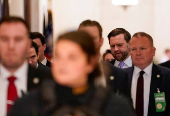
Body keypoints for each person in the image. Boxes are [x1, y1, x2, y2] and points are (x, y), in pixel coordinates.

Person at [9, 31, 135, 116]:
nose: (63, 64)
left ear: (90, 63)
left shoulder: (115, 107)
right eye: (58, 56)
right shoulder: (29, 105)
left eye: (72, 57)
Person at [0, 16, 49, 116]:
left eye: (18, 39)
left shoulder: (47, 81)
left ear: (28, 44)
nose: (11, 46)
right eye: (4, 39)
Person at [78, 20, 131, 98]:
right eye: (84, 37)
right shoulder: (66, 74)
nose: (88, 42)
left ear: (101, 41)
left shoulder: (118, 75)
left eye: (93, 38)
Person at [125, 32, 170, 116]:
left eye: (142, 48)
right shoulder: (122, 76)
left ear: (153, 51)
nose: (138, 53)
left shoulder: (166, 76)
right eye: (134, 49)